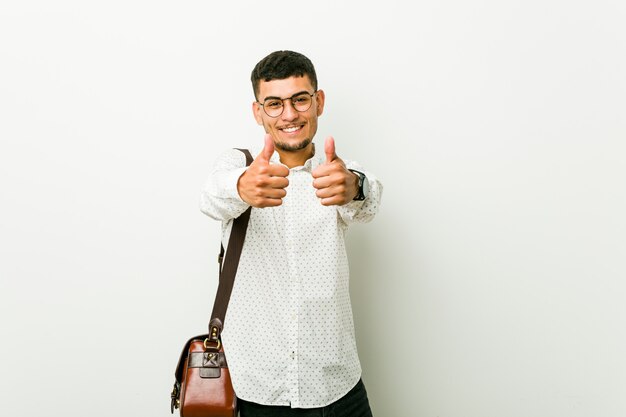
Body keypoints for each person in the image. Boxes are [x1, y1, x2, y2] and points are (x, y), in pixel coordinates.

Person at [200, 50, 382, 417]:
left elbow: (368, 199)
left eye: (300, 99)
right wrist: (242, 187)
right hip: (258, 391)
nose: (289, 114)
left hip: (338, 387)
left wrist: (353, 186)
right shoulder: (238, 166)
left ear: (319, 102)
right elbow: (210, 197)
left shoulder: (336, 172)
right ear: (258, 112)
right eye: (274, 103)